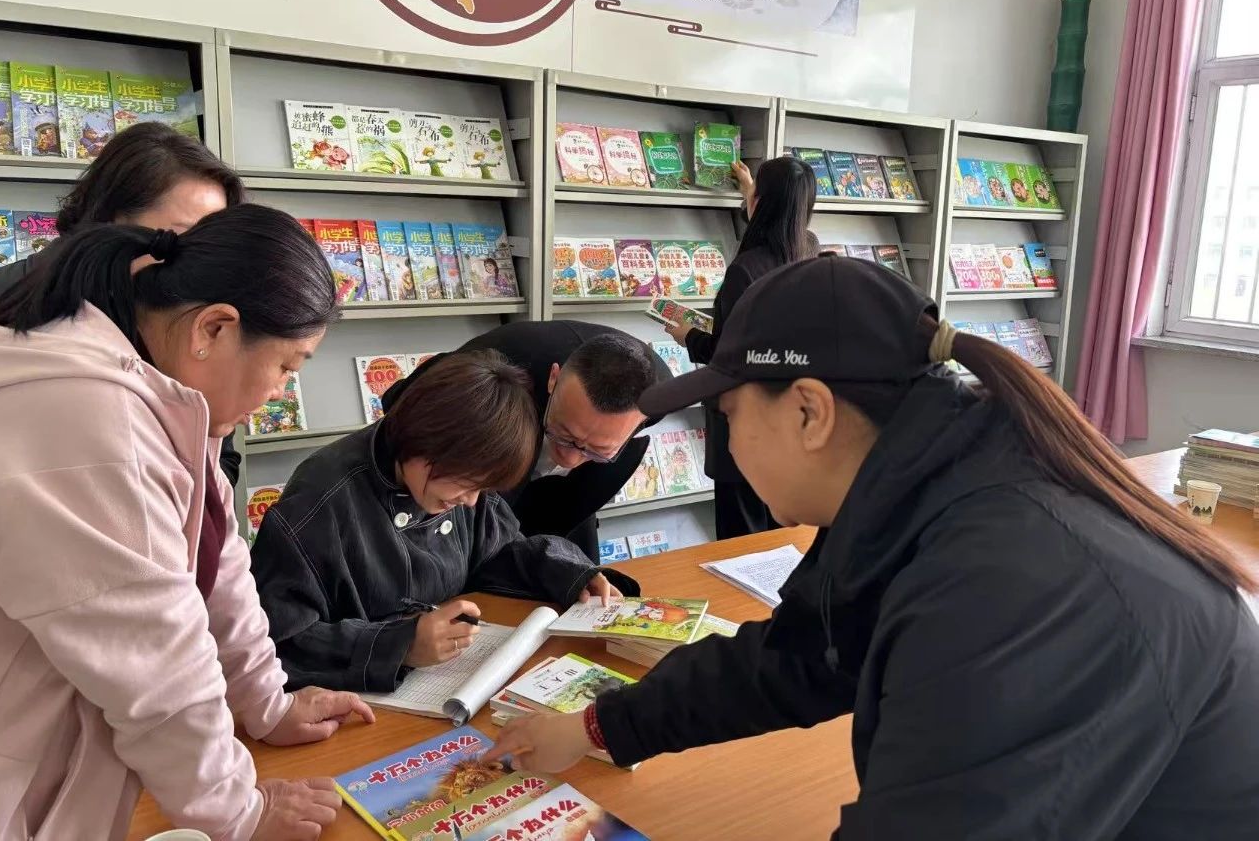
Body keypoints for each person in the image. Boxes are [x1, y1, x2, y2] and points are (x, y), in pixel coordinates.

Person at [486, 255, 1259, 839]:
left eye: (729, 415)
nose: (727, 444)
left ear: (809, 412)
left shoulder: (1011, 581)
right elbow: (793, 661)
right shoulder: (931, 491)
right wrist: (595, 726)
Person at [0, 204, 375, 840]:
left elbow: (218, 562)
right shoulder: (93, 421)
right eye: (287, 367)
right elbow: (155, 659)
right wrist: (240, 813)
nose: (281, 392)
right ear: (213, 328)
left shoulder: (161, 395)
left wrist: (267, 703)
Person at [251, 350, 637, 692]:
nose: (471, 502)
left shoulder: (462, 476)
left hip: (442, 683)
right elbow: (274, 641)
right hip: (349, 705)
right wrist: (400, 645)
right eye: (467, 485)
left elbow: (502, 551)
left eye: (484, 488)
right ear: (425, 439)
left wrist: (571, 573)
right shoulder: (321, 502)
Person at [0, 121, 247, 485]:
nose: (202, 263)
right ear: (109, 222)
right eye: (182, 240)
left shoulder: (195, 318)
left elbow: (223, 459)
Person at [379, 322, 670, 562]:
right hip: (486, 478)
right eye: (565, 434)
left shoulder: (660, 398)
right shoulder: (498, 370)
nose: (569, 459)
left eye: (598, 449)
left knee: (572, 573)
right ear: (553, 379)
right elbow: (404, 411)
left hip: (564, 494)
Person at [665, 157, 816, 540]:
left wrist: (688, 335)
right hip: (790, 426)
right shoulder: (810, 252)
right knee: (781, 538)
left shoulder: (744, 270)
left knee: (741, 544)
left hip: (743, 429)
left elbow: (728, 358)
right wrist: (752, 192)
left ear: (761, 203)